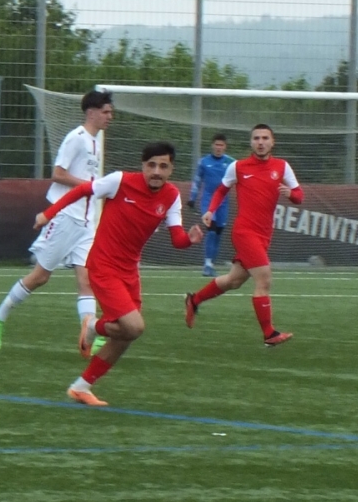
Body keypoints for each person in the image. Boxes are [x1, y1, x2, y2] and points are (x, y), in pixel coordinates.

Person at [36, 142, 201, 406]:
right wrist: (48, 213)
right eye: (151, 165)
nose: (156, 171)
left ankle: (81, 387)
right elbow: (82, 190)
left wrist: (189, 240)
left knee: (127, 335)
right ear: (143, 166)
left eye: (163, 166)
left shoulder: (171, 196)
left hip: (129, 271)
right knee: (134, 326)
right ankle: (92, 326)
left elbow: (176, 239)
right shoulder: (119, 181)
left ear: (171, 170)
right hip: (103, 266)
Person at [0, 90, 114, 354]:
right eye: (106, 112)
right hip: (66, 217)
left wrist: (96, 191)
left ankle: (90, 335)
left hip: (86, 222)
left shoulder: (96, 142)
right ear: (91, 112)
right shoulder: (76, 138)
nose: (109, 117)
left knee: (87, 280)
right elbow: (58, 173)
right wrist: (88, 186)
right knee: (40, 277)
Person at [185, 123, 303, 346]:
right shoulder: (238, 167)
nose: (260, 142)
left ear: (272, 142)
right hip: (244, 232)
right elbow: (221, 189)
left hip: (264, 234)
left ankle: (194, 300)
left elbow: (299, 196)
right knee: (264, 279)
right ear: (251, 142)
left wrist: (290, 194)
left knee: (234, 280)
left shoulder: (282, 166)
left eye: (265, 138)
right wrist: (210, 210)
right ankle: (269, 334)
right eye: (256, 138)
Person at [191, 133, 234, 277]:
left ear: (225, 147)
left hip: (223, 203)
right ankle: (207, 265)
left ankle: (211, 264)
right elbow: (197, 180)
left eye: (221, 145)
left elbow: (243, 176)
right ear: (212, 145)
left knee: (218, 234)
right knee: (211, 231)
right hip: (208, 201)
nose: (218, 148)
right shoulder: (203, 162)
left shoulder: (231, 162)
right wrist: (192, 198)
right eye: (216, 144)